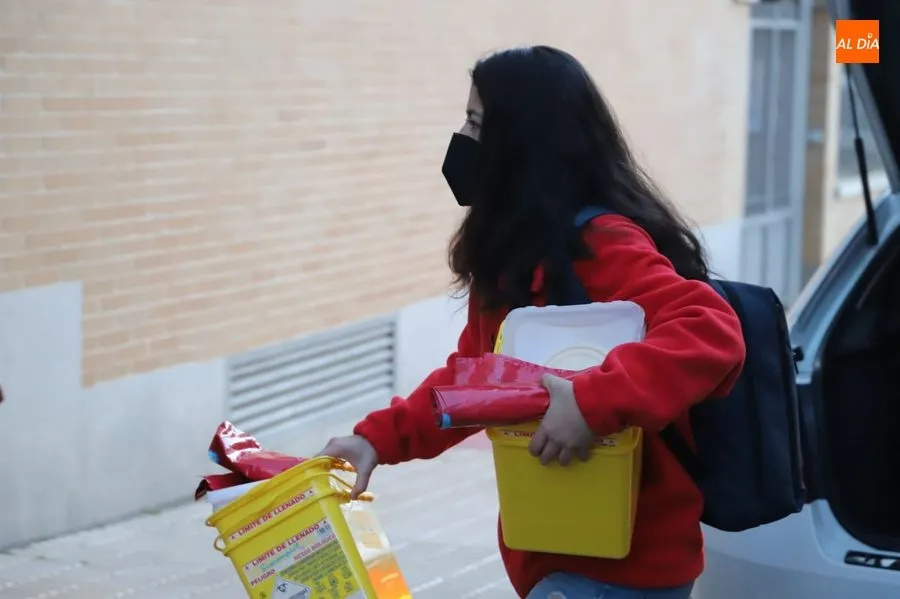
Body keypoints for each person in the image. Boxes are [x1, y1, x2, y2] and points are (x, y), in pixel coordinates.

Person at [317, 46, 746, 599]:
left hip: (622, 569)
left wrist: (592, 404)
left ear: (522, 144)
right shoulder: (518, 254)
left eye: (476, 123)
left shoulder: (601, 244)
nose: (461, 141)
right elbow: (473, 383)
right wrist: (374, 440)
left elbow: (710, 329)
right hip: (560, 550)